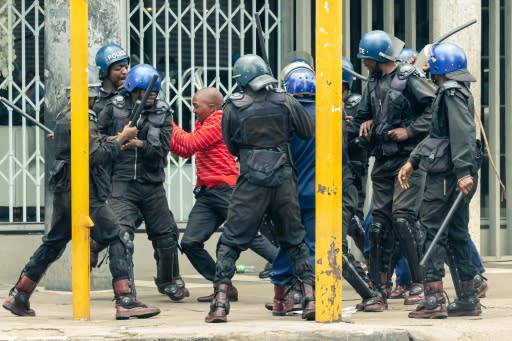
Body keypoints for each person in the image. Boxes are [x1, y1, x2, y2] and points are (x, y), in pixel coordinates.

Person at [2, 68, 160, 320]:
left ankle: (20, 295)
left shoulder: (67, 116)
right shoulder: (83, 117)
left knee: (53, 243)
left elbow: (88, 144)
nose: (96, 100)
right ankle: (126, 299)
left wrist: (114, 138)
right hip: (85, 192)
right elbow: (95, 156)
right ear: (89, 97)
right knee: (119, 237)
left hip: (65, 191)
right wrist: (121, 140)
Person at [205, 54, 315, 323]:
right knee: (294, 240)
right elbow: (306, 131)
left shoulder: (233, 106)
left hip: (251, 181)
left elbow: (231, 146)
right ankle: (311, 298)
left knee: (231, 241)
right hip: (284, 181)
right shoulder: (285, 100)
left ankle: (220, 303)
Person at [353, 30, 436, 311]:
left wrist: (410, 130)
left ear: (379, 57)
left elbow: (434, 109)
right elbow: (364, 112)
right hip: (383, 161)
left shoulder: (409, 78)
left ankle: (417, 283)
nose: (364, 64)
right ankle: (377, 288)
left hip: (408, 161)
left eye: (367, 58)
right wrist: (365, 122)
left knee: (403, 221)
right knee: (377, 226)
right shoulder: (374, 82)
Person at [399, 42, 482, 318]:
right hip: (453, 173)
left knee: (432, 231)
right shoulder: (455, 91)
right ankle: (468, 296)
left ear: (440, 67)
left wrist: (462, 172)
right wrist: (413, 161)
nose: (428, 69)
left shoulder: (450, 93)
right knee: (457, 234)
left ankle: (434, 298)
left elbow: (461, 134)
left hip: (448, 176)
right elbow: (437, 135)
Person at [171, 87, 277, 302]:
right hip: (208, 194)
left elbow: (191, 143)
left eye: (195, 105)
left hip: (226, 191)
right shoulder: (203, 122)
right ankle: (222, 286)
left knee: (250, 237)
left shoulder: (219, 120)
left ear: (212, 107)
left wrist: (168, 124)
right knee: (190, 242)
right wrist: (163, 135)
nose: (193, 110)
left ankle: (296, 272)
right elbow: (185, 151)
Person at [97, 63, 189, 302]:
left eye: (155, 92)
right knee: (121, 237)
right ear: (131, 90)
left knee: (167, 236)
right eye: (145, 91)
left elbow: (163, 149)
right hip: (121, 183)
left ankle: (168, 280)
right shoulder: (113, 109)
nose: (151, 96)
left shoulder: (163, 112)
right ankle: (125, 290)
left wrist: (140, 144)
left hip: (152, 184)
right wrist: (119, 138)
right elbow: (95, 139)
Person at [90, 43, 130, 267]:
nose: (124, 72)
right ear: (105, 71)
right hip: (104, 171)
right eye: (118, 68)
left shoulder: (132, 96)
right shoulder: (95, 100)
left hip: (128, 169)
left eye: (126, 67)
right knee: (116, 227)